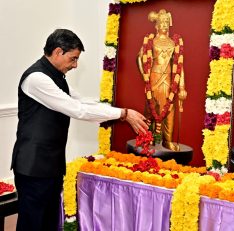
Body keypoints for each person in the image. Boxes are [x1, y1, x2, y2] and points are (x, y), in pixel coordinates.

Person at [10, 28, 148, 231]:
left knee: (49, 223)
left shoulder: (57, 77)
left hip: (50, 166)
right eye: (73, 59)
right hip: (33, 167)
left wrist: (122, 112)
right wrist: (123, 114)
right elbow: (78, 110)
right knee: (32, 224)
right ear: (58, 52)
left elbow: (83, 102)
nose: (75, 65)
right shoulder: (36, 79)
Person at [137, 9, 187, 152]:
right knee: (150, 108)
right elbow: (139, 59)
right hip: (153, 79)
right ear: (156, 25)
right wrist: (145, 77)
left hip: (168, 80)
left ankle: (167, 141)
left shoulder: (174, 43)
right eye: (161, 22)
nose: (164, 25)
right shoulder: (151, 42)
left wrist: (182, 87)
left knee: (169, 110)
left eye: (166, 22)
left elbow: (179, 66)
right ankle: (146, 137)